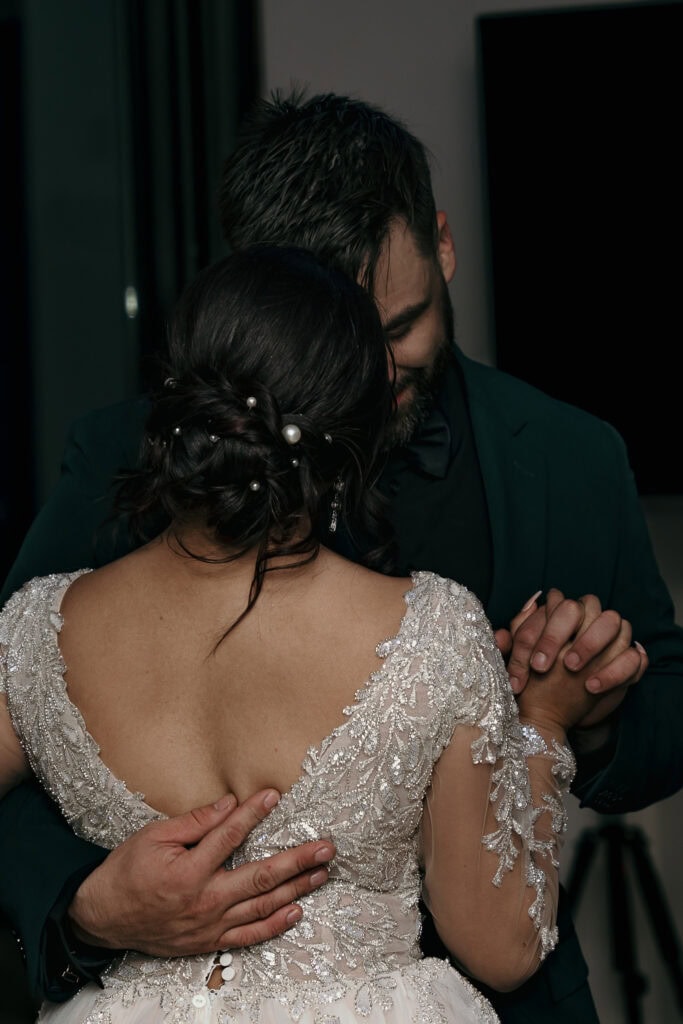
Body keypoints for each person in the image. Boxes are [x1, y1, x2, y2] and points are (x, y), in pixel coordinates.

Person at [1, 90, 681, 1023]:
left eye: (399, 328)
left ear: (441, 246)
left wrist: (584, 713)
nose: (381, 371)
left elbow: (669, 700)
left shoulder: (572, 453)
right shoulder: (120, 452)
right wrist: (85, 907)